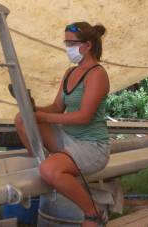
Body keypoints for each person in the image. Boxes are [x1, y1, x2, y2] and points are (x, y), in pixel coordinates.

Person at [15, 22, 110, 227]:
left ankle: (93, 213)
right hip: (68, 139)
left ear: (88, 45)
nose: (68, 47)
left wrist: (43, 117)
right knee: (21, 119)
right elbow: (58, 107)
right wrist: (33, 111)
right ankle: (46, 166)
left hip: (91, 146)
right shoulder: (70, 72)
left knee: (50, 170)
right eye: (66, 42)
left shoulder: (97, 74)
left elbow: (84, 117)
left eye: (71, 43)